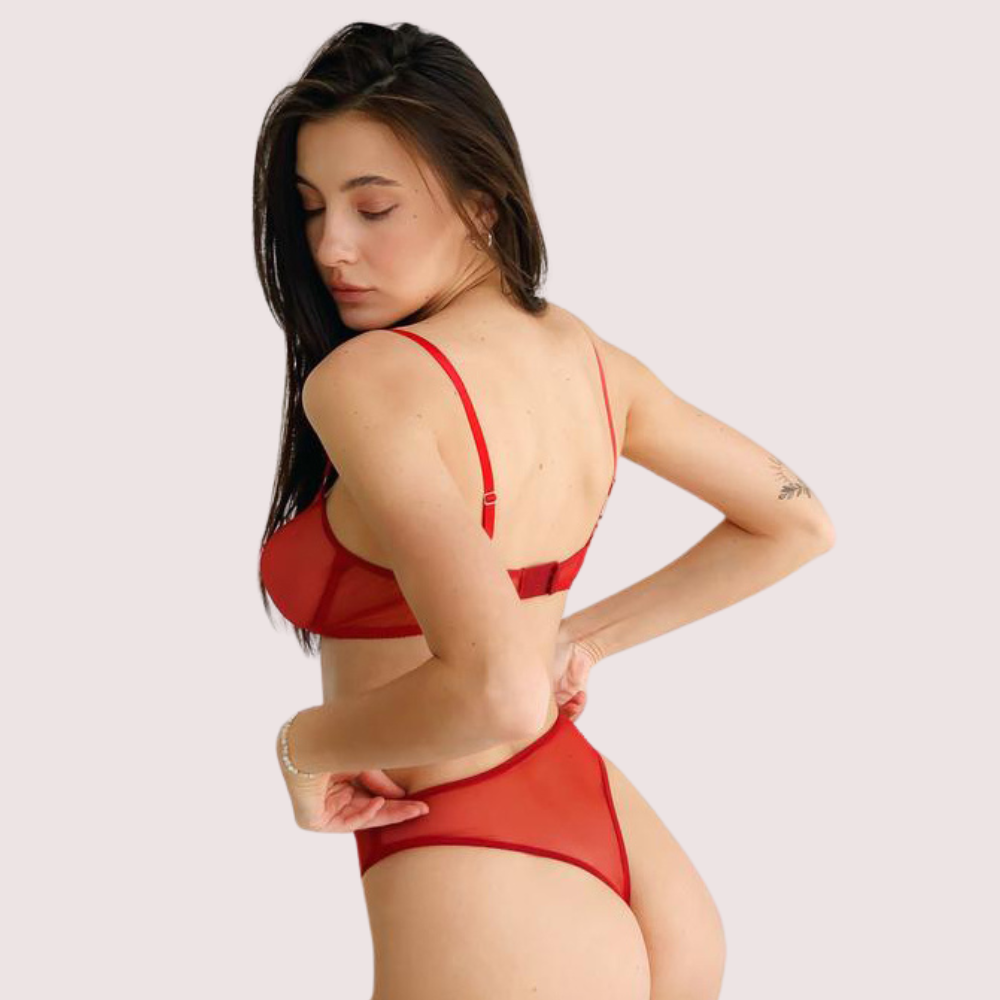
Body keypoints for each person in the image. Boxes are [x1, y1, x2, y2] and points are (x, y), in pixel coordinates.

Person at [255, 21, 834, 1000]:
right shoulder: (590, 361)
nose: (330, 247)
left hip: (479, 869)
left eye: (374, 206)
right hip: (620, 852)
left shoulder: (370, 381)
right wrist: (580, 639)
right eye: (311, 209)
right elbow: (795, 518)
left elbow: (497, 692)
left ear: (482, 205)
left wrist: (305, 746)